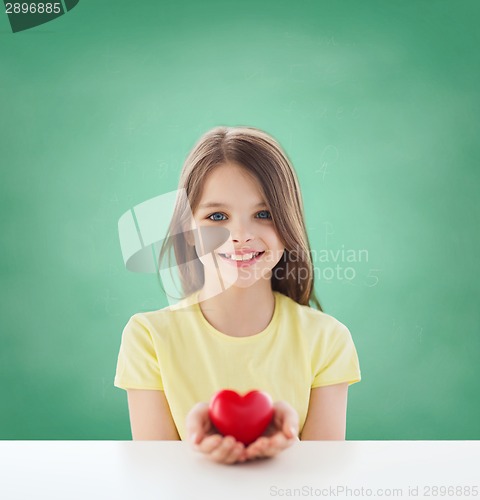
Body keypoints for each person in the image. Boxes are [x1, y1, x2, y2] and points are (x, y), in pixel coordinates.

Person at [114, 126, 361, 465]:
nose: (241, 236)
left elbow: (323, 480)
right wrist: (197, 447)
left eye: (264, 214)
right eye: (217, 216)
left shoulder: (328, 339)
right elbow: (155, 478)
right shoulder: (147, 338)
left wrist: (289, 447)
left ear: (289, 224)